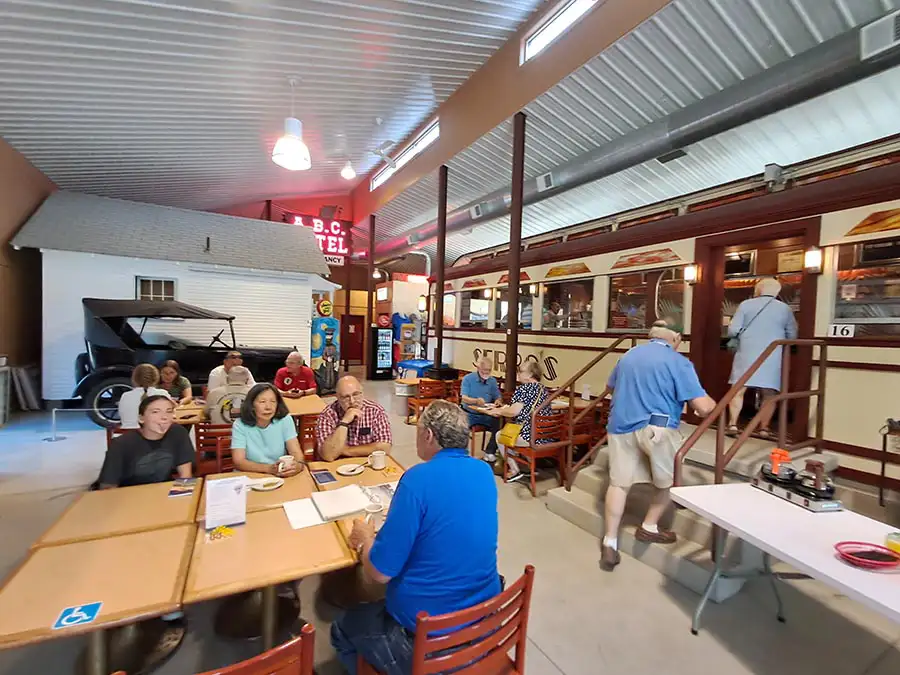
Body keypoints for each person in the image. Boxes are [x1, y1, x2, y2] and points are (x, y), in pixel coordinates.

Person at [331, 401, 500, 675]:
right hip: (484, 621)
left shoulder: (417, 480)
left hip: (430, 637)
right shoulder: (483, 472)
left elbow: (380, 573)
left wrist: (365, 540)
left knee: (342, 627)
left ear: (428, 435)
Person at [600, 320, 716, 572]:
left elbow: (609, 388)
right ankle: (649, 525)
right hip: (658, 428)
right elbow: (702, 407)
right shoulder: (678, 362)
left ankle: (610, 541)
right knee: (669, 481)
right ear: (676, 338)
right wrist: (715, 404)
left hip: (620, 425)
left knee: (618, 484)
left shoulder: (628, 356)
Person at [726, 277, 798, 439]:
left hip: (747, 352)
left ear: (758, 290)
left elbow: (733, 331)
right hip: (772, 354)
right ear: (777, 292)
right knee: (769, 392)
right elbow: (792, 335)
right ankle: (764, 428)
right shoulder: (785, 309)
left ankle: (732, 424)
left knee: (738, 389)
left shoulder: (745, 305)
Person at [99, 394, 193, 488]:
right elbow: (107, 488)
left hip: (163, 491)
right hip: (131, 493)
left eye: (169, 411)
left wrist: (183, 494)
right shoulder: (121, 444)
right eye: (155, 412)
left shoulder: (178, 432)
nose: (164, 417)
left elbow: (186, 476)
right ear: (141, 418)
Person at [486, 360, 547, 482]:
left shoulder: (524, 389)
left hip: (530, 438)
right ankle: (531, 468)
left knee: (499, 436)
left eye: (521, 371)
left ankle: (514, 470)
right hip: (544, 436)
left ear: (530, 374)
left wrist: (498, 411)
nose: (518, 373)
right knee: (519, 430)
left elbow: (513, 412)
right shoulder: (543, 389)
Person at [230, 383, 305, 477]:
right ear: (252, 405)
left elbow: (296, 452)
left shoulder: (285, 419)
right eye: (262, 402)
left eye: (273, 401)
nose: (268, 407)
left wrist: (298, 465)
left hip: (279, 475)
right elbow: (239, 461)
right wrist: (269, 469)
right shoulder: (240, 424)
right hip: (250, 475)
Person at [316, 376, 392, 462]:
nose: (352, 401)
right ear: (337, 397)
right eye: (345, 397)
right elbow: (328, 455)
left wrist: (345, 450)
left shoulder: (375, 411)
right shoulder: (327, 415)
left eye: (356, 394)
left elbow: (384, 448)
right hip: (338, 465)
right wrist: (344, 422)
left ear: (362, 393)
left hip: (366, 463)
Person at [460, 357, 502, 462]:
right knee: (459, 427)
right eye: (484, 370)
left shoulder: (492, 381)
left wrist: (498, 401)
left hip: (486, 414)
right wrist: (476, 401)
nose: (487, 372)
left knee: (500, 423)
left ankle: (490, 452)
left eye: (489, 370)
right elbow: (464, 398)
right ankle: (461, 455)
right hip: (469, 414)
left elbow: (497, 396)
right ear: (478, 368)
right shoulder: (468, 379)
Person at [118, 363, 170, 429]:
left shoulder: (125, 396)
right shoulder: (163, 394)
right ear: (156, 378)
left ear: (134, 378)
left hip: (127, 433)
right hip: (154, 434)